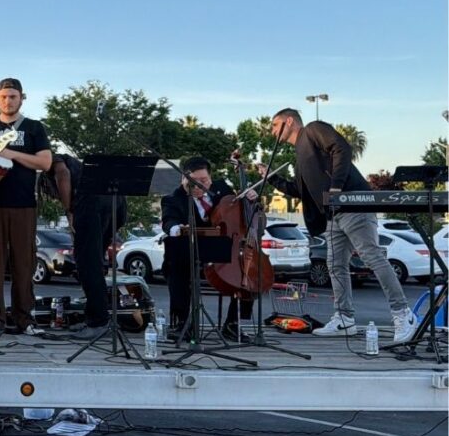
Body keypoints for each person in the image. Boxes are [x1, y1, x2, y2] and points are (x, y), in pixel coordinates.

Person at [259, 108, 416, 342]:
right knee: (335, 265)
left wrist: (336, 188)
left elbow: (341, 147)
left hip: (353, 205)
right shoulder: (300, 155)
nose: (272, 131)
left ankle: (403, 314)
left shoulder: (312, 130)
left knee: (371, 257)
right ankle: (345, 318)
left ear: (289, 121)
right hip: (333, 215)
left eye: (274, 125)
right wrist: (271, 177)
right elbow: (300, 191)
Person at [0, 78, 53, 337]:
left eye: (13, 96)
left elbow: (45, 162)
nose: (8, 101)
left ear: (22, 98)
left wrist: (12, 155)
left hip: (23, 205)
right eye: (4, 96)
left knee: (24, 263)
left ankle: (24, 319)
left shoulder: (33, 128)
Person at [160, 157, 252, 341]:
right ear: (184, 180)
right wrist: (175, 228)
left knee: (248, 268)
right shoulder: (173, 199)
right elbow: (168, 220)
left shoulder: (222, 189)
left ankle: (233, 324)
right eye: (195, 182)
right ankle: (183, 324)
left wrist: (250, 199)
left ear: (211, 177)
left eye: (205, 181)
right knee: (175, 265)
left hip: (221, 247)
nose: (201, 186)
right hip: (190, 250)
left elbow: (240, 211)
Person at [40, 154, 127, 341]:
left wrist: (69, 210)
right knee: (94, 263)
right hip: (115, 202)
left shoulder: (53, 160)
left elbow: (62, 175)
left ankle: (98, 323)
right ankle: (95, 317)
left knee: (88, 265)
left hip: (91, 204)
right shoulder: (79, 166)